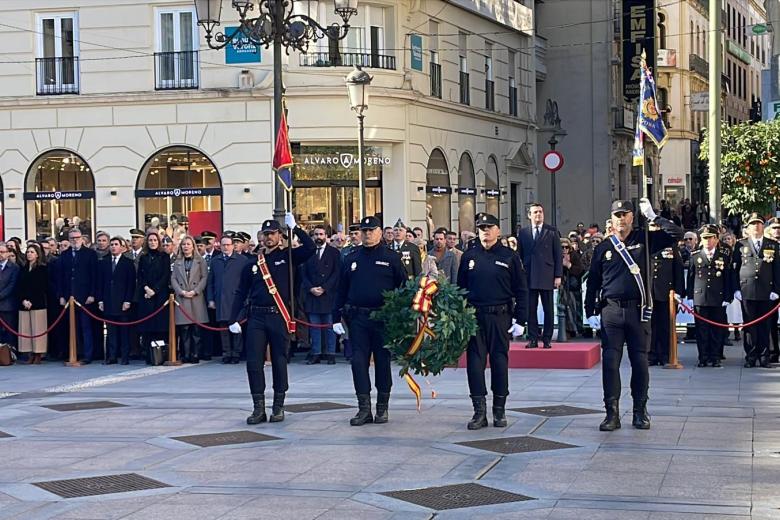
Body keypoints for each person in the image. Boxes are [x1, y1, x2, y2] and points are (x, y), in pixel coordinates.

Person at [585, 199, 683, 431]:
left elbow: (677, 233)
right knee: (610, 363)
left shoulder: (645, 240)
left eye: (625, 214)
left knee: (640, 362)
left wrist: (653, 217)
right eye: (617, 214)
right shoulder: (603, 248)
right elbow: (593, 284)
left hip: (638, 311)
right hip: (611, 310)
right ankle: (612, 413)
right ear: (612, 218)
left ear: (632, 216)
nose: (621, 219)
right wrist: (590, 312)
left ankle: (640, 411)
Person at [229, 214, 315, 425]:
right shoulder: (253, 262)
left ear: (280, 235)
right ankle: (258, 407)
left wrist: (298, 228)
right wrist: (233, 318)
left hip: (278, 316)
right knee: (254, 363)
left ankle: (278, 405)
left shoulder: (288, 256)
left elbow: (310, 248)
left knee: (279, 360)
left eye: (273, 234)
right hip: (256, 316)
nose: (268, 238)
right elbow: (241, 291)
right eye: (265, 234)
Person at [333, 216, 406, 426]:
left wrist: (402, 315)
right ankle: (364, 408)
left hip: (383, 317)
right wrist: (335, 316)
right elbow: (341, 289)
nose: (367, 234)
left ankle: (382, 407)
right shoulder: (351, 258)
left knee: (382, 362)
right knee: (358, 362)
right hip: (358, 318)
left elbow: (402, 287)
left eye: (371, 230)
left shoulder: (392, 257)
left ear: (380, 232)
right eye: (363, 231)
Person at [458, 213, 528, 430]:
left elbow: (522, 290)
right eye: (481, 228)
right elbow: (460, 288)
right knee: (475, 365)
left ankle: (499, 410)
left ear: (498, 230)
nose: (485, 232)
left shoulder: (509, 257)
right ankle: (479, 412)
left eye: (489, 227)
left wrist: (521, 319)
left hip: (500, 316)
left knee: (499, 362)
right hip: (474, 316)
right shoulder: (469, 256)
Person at [733, 213, 780, 368]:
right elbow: (734, 268)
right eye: (753, 224)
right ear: (748, 227)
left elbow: (777, 269)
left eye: (759, 223)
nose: (756, 226)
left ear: (763, 226)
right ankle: (751, 356)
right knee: (749, 325)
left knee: (765, 325)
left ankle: (764, 356)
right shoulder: (741, 245)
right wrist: (736, 289)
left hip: (767, 291)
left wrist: (776, 289)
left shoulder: (772, 244)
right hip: (747, 290)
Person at [686, 225, 734, 368]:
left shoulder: (723, 256)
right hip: (700, 298)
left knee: (716, 329)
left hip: (717, 298)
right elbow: (690, 277)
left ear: (716, 239)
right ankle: (703, 357)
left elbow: (727, 278)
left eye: (710, 238)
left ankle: (715, 357)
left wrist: (727, 297)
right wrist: (689, 297)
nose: (707, 241)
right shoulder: (695, 256)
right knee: (701, 330)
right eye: (704, 238)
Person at [517, 203, 562, 350]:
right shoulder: (523, 233)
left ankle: (547, 339)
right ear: (529, 215)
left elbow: (558, 255)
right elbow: (520, 255)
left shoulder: (551, 231)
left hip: (547, 274)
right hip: (529, 275)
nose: (538, 215)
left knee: (548, 309)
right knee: (531, 309)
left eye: (540, 212)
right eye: (535, 212)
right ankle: (532, 338)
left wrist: (558, 275)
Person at [57, 228, 98, 364]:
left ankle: (87, 355)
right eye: (72, 238)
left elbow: (94, 275)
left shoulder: (90, 254)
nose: (75, 240)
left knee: (85, 327)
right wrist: (62, 296)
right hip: (70, 297)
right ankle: (75, 353)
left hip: (84, 297)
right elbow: (61, 277)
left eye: (77, 237)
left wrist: (92, 293)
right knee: (72, 327)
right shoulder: (65, 254)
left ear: (82, 238)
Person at [302, 225, 341, 365]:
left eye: (321, 234)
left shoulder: (334, 253)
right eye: (316, 234)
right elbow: (303, 274)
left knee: (329, 327)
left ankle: (330, 353)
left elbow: (337, 274)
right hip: (312, 295)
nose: (318, 237)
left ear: (326, 236)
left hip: (328, 294)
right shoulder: (309, 252)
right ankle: (316, 353)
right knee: (314, 327)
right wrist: (311, 288)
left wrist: (324, 288)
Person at [207, 234, 249, 364]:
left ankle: (236, 353)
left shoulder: (242, 260)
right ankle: (226, 352)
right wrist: (211, 299)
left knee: (236, 326)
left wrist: (247, 298)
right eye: (223, 245)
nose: (225, 247)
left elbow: (247, 281)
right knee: (223, 327)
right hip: (220, 299)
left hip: (237, 299)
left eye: (228, 245)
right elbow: (210, 282)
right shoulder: (215, 261)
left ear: (232, 246)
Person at [648, 231, 685, 366]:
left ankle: (665, 354)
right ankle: (651, 354)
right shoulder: (646, 245)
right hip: (649, 292)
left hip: (666, 292)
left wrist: (679, 291)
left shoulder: (671, 245)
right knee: (650, 325)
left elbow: (678, 269)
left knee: (665, 326)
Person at [97, 237, 136, 365]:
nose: (113, 247)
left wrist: (128, 300)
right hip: (108, 301)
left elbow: (131, 283)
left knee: (124, 331)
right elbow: (100, 282)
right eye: (112, 244)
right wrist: (101, 300)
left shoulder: (128, 263)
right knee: (111, 331)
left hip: (122, 301)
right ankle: (111, 356)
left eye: (116, 244)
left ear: (122, 247)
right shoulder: (104, 262)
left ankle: (125, 356)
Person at [171, 236, 209, 364]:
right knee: (184, 329)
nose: (186, 246)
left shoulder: (200, 261)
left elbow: (204, 278)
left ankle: (195, 353)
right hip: (182, 297)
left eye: (188, 244)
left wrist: (196, 290)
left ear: (193, 246)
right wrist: (180, 291)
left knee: (196, 329)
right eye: (183, 244)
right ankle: (185, 354)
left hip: (196, 297)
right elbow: (173, 279)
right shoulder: (177, 261)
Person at [135, 231, 171, 364]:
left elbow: (165, 275)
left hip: (160, 296)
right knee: (147, 328)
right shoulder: (143, 257)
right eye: (150, 240)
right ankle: (149, 355)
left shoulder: (164, 256)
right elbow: (140, 276)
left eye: (155, 240)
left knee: (160, 327)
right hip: (146, 295)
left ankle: (160, 355)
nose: (153, 242)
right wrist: (146, 288)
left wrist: (154, 290)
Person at [17, 244, 47, 363]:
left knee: (38, 328)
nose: (29, 254)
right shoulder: (23, 268)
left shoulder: (42, 268)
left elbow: (42, 287)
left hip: (38, 302)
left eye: (32, 252)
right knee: (26, 329)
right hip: (24, 303)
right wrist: (23, 300)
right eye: (28, 252)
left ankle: (38, 353)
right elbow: (19, 286)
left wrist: (32, 301)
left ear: (37, 254)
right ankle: (29, 352)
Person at [0, 242, 20, 350]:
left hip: (7, 305)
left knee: (9, 331)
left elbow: (11, 286)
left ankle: (9, 354)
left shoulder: (14, 267)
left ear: (8, 253)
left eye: (2, 252)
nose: (0, 254)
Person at [766, 217, 780, 363]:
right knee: (770, 322)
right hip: (773, 288)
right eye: (774, 227)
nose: (777, 230)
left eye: (779, 228)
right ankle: (773, 351)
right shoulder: (768, 245)